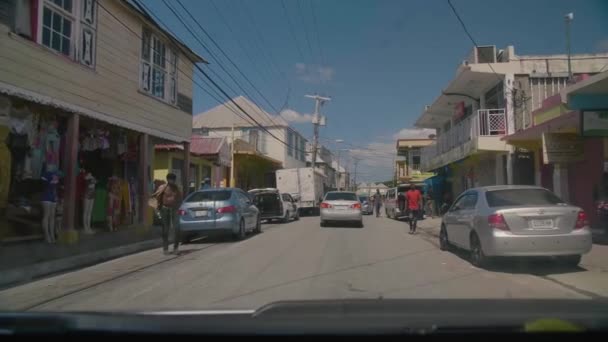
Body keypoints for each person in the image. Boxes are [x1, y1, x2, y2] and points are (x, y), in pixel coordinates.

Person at [152, 173, 183, 255]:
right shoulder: (163, 188)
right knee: (165, 230)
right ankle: (165, 249)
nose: (171, 181)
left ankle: (176, 247)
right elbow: (155, 198)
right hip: (165, 209)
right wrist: (157, 210)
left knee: (177, 228)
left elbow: (180, 199)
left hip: (174, 209)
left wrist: (178, 207)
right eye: (170, 179)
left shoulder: (177, 189)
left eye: (173, 179)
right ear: (168, 179)